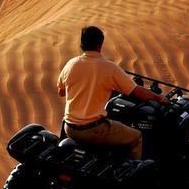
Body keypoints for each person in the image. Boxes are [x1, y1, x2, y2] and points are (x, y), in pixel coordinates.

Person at [57, 26, 167, 159]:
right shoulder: (109, 68)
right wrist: (158, 98)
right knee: (136, 137)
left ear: (82, 44)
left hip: (70, 129)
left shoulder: (70, 64)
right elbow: (136, 91)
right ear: (100, 45)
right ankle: (130, 175)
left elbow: (61, 92)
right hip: (95, 130)